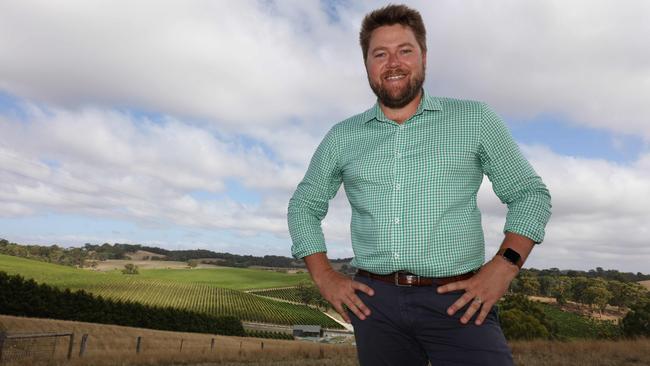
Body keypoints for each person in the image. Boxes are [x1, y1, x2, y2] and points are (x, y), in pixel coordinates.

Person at [287, 4, 551, 365]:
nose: (393, 63)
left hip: (459, 301)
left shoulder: (475, 119)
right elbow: (304, 205)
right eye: (380, 54)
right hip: (374, 304)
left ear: (424, 57)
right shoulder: (342, 137)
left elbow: (529, 195)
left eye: (404, 50)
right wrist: (324, 276)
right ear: (367, 64)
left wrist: (503, 267)